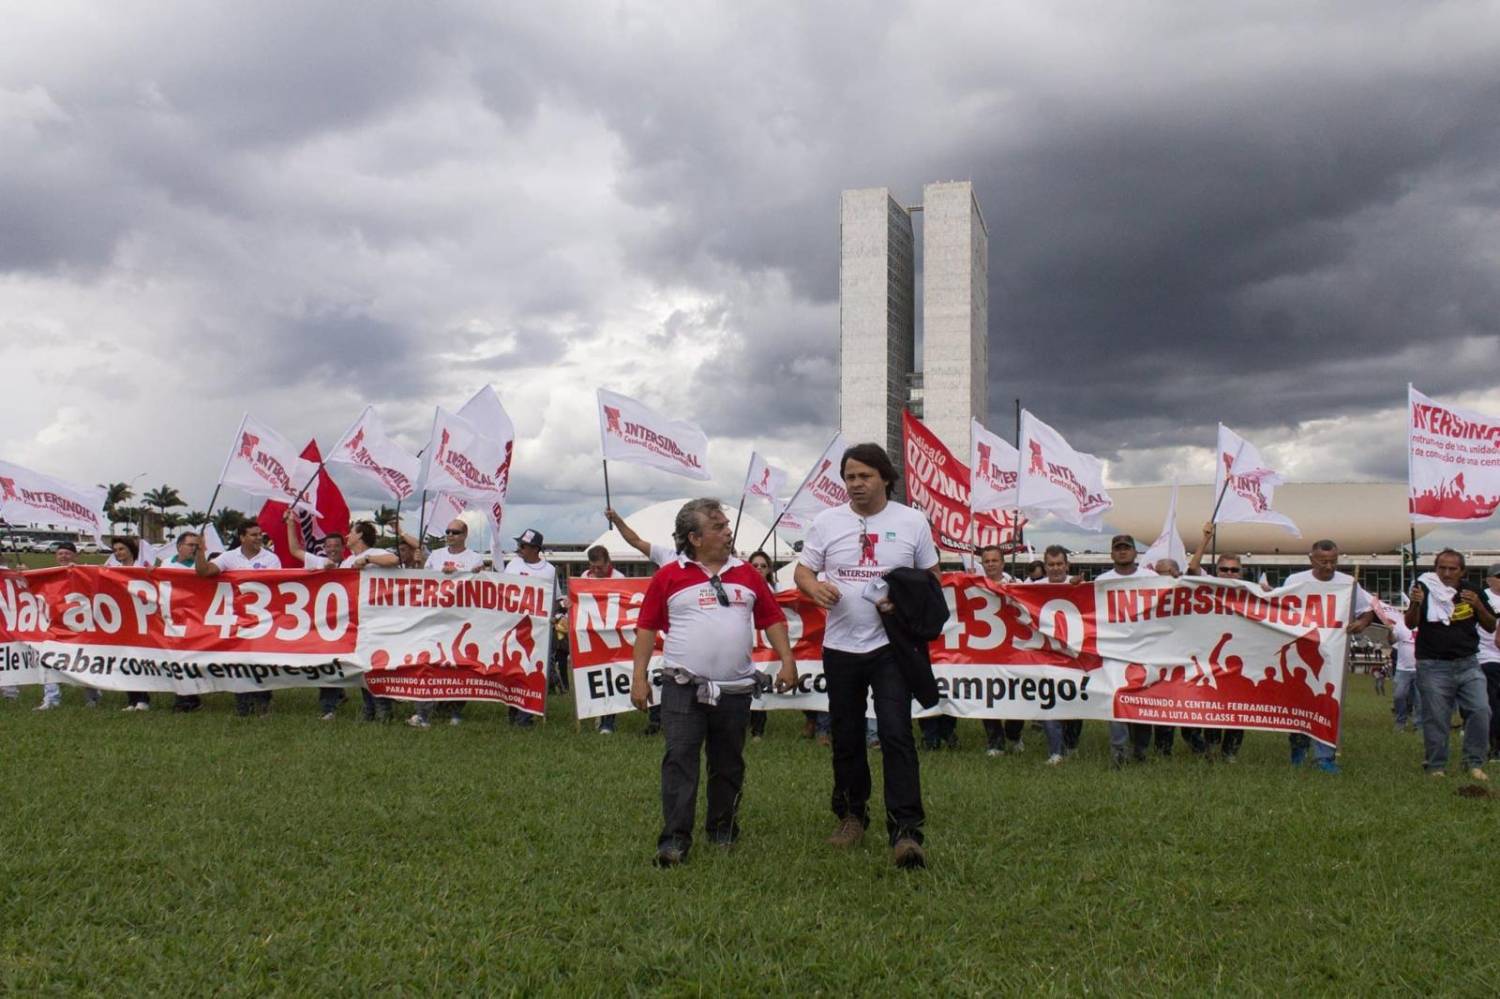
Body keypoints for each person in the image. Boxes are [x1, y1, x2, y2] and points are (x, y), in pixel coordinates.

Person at [629, 498, 796, 866]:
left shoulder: (749, 574)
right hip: (682, 687)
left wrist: (787, 660)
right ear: (695, 538)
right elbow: (646, 627)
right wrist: (638, 677)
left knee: (728, 762)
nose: (727, 531)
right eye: (718, 526)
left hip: (734, 691)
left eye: (725, 525)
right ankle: (674, 840)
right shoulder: (669, 575)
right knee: (680, 759)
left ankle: (722, 829)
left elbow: (772, 619)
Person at [795, 442, 939, 869]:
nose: (856, 484)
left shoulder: (912, 522)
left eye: (865, 476)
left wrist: (903, 605)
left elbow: (932, 581)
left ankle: (906, 830)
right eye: (850, 477)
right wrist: (812, 587)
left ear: (885, 479)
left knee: (895, 733)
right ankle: (851, 815)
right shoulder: (826, 522)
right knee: (847, 735)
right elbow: (803, 570)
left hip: (891, 648)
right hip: (840, 647)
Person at [285, 513, 398, 721]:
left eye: (351, 532)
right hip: (354, 623)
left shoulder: (375, 552)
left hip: (375, 620)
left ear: (360, 536)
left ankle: (383, 707)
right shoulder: (346, 562)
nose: (348, 535)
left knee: (374, 664)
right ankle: (369, 708)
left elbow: (394, 559)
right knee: (362, 665)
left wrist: (368, 559)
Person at [1284, 539, 1375, 774]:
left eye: (1333, 561)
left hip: (1333, 654)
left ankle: (1324, 756)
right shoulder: (1295, 581)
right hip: (1302, 652)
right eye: (1323, 561)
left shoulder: (1348, 583)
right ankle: (1298, 747)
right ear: (1311, 559)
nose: (1328, 566)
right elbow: (1281, 610)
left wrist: (1362, 622)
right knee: (1301, 702)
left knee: (1327, 703)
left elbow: (1368, 610)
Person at [1405, 549, 1496, 780]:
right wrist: (1416, 604)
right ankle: (1436, 765)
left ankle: (1474, 763)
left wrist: (1478, 605)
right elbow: (1410, 624)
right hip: (1432, 664)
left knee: (1480, 710)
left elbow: (1490, 626)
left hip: (1468, 663)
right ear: (1435, 569)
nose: (1446, 573)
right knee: (1436, 717)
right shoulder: (1424, 589)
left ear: (1462, 571)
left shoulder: (1472, 592)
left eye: (1452, 569)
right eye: (1441, 568)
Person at [195, 520, 282, 716]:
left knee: (260, 662)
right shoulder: (229, 557)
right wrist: (200, 551)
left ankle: (263, 702)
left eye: (260, 534)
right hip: (237, 619)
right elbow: (204, 572)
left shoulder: (271, 559)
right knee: (240, 661)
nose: (259, 537)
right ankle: (243, 705)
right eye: (253, 534)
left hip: (263, 619)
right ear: (242, 537)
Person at [410, 518, 486, 727]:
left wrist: (461, 575)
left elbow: (479, 584)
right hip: (435, 617)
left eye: (455, 532)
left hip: (461, 620)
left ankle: (455, 711)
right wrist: (417, 563)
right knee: (427, 663)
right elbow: (421, 582)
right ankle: (423, 713)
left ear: (464, 535)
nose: (450, 535)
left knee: (458, 665)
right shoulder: (435, 556)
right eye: (447, 531)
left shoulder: (474, 558)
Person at [1186, 525, 1248, 762]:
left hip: (1239, 660)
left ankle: (1230, 753)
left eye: (1234, 570)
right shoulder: (1207, 585)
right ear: (1216, 571)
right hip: (1207, 658)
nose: (1229, 574)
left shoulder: (1250, 592)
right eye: (1224, 569)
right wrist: (1205, 539)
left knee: (1236, 709)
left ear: (1241, 573)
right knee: (1208, 706)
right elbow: (1192, 569)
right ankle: (1208, 748)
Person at [1096, 534, 1155, 764]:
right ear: (1112, 553)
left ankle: (1140, 750)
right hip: (1114, 652)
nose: (1122, 552)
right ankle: (1119, 751)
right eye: (1118, 548)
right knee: (1117, 699)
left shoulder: (1151, 578)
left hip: (1145, 650)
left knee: (1142, 701)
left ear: (1134, 552)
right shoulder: (1102, 581)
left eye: (1126, 548)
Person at [34, 541, 101, 710]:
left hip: (81, 627)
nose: (64, 556)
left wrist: (77, 571)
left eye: (67, 553)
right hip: (57, 626)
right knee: (47, 659)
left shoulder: (86, 571)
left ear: (76, 555)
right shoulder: (51, 574)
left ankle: (93, 696)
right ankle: (51, 698)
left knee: (85, 662)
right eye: (60, 553)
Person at [503, 528, 558, 728]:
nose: (519, 549)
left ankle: (526, 715)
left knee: (532, 670)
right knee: (513, 669)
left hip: (538, 629)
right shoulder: (512, 565)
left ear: (535, 549)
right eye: (519, 545)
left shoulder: (549, 570)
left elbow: (554, 598)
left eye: (523, 546)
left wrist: (554, 616)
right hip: (514, 625)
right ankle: (513, 710)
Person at [975, 545, 1024, 757]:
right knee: (988, 695)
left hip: (1013, 649)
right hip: (986, 649)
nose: (991, 564)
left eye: (995, 560)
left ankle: (1014, 734)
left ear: (1002, 563)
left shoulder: (1017, 584)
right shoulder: (974, 585)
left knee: (1017, 693)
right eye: (987, 561)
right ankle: (995, 742)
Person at [157, 532, 205, 713]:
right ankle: (185, 698)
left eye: (196, 545)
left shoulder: (200, 565)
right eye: (190, 545)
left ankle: (189, 697)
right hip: (173, 618)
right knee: (176, 659)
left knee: (191, 658)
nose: (194, 548)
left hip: (195, 617)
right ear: (179, 546)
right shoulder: (167, 564)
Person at [105, 537, 154, 711]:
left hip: (142, 620)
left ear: (131, 550)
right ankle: (132, 699)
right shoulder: (112, 570)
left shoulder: (142, 569)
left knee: (138, 660)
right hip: (121, 620)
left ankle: (143, 699)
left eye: (122, 549)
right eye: (116, 550)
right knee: (124, 660)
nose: (118, 553)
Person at [583, 544, 627, 734]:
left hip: (612, 636)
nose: (595, 571)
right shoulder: (585, 578)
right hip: (591, 636)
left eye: (599, 567)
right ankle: (596, 713)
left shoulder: (620, 579)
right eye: (593, 567)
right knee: (591, 675)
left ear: (609, 563)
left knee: (610, 677)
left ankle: (608, 721)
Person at [746, 549, 777, 742]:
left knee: (760, 686)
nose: (758, 569)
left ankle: (758, 730)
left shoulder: (775, 591)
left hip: (765, 647)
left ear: (769, 570)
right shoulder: (739, 587)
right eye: (754, 565)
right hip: (744, 645)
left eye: (763, 566)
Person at [1480, 563, 1500, 763]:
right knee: (1492, 704)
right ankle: (1493, 745)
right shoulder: (1483, 598)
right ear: (1489, 579)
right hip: (1487, 657)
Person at [1391, 618, 1420, 733]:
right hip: (1402, 669)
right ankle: (1400, 721)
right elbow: (1392, 641)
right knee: (1399, 696)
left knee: (1420, 700)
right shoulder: (1401, 623)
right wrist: (1389, 631)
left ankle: (1419, 725)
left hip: (1421, 669)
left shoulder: (1426, 621)